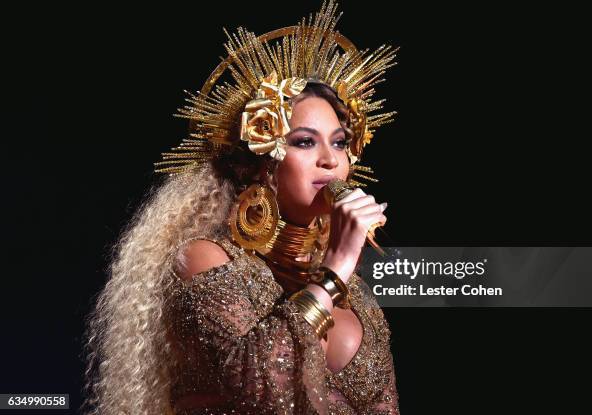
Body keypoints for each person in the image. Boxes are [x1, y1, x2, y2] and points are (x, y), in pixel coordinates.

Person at [82, 1, 400, 414]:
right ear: (261, 163)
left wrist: (338, 274)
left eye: (339, 142)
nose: (330, 159)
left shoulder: (355, 295)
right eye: (304, 142)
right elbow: (261, 386)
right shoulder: (204, 260)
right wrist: (336, 268)